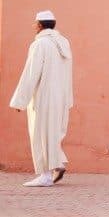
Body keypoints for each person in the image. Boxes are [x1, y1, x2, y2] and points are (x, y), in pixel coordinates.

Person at [9, 10, 74, 187]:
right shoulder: (64, 43)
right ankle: (57, 164)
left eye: (34, 23)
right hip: (60, 97)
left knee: (41, 134)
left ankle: (45, 175)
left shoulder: (40, 45)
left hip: (44, 97)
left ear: (39, 25)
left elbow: (31, 73)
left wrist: (21, 100)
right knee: (52, 133)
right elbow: (68, 73)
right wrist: (68, 98)